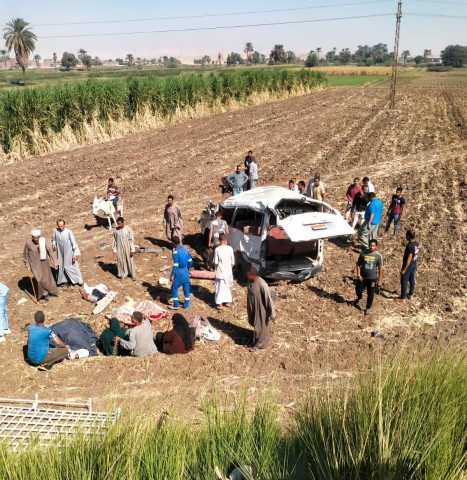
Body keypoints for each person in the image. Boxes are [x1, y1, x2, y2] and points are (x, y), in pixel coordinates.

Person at [23, 230, 58, 302]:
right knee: (39, 279)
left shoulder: (42, 241)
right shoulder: (28, 244)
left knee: (48, 278)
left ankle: (50, 292)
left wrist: (54, 260)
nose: (36, 239)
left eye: (37, 238)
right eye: (34, 238)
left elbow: (49, 251)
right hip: (34, 264)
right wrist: (27, 264)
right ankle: (44, 294)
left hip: (44, 262)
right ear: (32, 237)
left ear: (39, 237)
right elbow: (25, 255)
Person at [246, 267, 276, 351]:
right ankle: (256, 340)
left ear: (253, 275)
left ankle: (259, 346)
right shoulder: (250, 281)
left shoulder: (262, 284)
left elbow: (268, 299)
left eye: (248, 276)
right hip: (253, 307)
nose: (247, 277)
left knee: (261, 327)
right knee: (256, 324)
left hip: (261, 309)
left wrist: (272, 313)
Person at [355, 239, 383, 316]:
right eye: (370, 245)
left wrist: (380, 281)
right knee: (358, 290)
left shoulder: (378, 256)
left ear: (376, 247)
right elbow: (358, 264)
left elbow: (380, 269)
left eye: (373, 246)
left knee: (370, 294)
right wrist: (358, 274)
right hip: (363, 278)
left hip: (372, 278)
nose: (371, 247)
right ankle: (359, 297)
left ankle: (367, 308)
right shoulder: (363, 254)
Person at [52, 219, 83, 286]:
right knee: (61, 265)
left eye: (62, 226)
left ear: (64, 225)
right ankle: (64, 281)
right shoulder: (55, 231)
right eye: (59, 226)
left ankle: (77, 280)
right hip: (60, 252)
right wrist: (54, 245)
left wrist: (75, 253)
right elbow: (53, 239)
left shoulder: (68, 232)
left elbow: (74, 243)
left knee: (69, 266)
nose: (60, 227)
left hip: (69, 252)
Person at [169, 236, 193, 310]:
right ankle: (186, 305)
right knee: (186, 288)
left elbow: (176, 265)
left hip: (179, 273)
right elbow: (190, 261)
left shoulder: (175, 252)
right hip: (185, 272)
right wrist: (187, 268)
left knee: (174, 288)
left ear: (173, 243)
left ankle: (176, 305)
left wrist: (172, 274)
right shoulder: (185, 250)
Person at [214, 233, 235, 310]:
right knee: (227, 287)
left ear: (220, 241)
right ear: (226, 240)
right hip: (228, 271)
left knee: (220, 287)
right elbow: (233, 261)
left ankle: (219, 303)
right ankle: (228, 302)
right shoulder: (230, 248)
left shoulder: (217, 249)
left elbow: (215, 262)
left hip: (220, 271)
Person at [398, 230, 420, 300]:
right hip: (414, 264)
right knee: (411, 279)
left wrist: (404, 269)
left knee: (404, 280)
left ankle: (402, 297)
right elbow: (416, 254)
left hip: (409, 265)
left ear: (408, 236)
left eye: (406, 235)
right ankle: (410, 294)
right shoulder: (416, 243)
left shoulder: (410, 246)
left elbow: (409, 258)